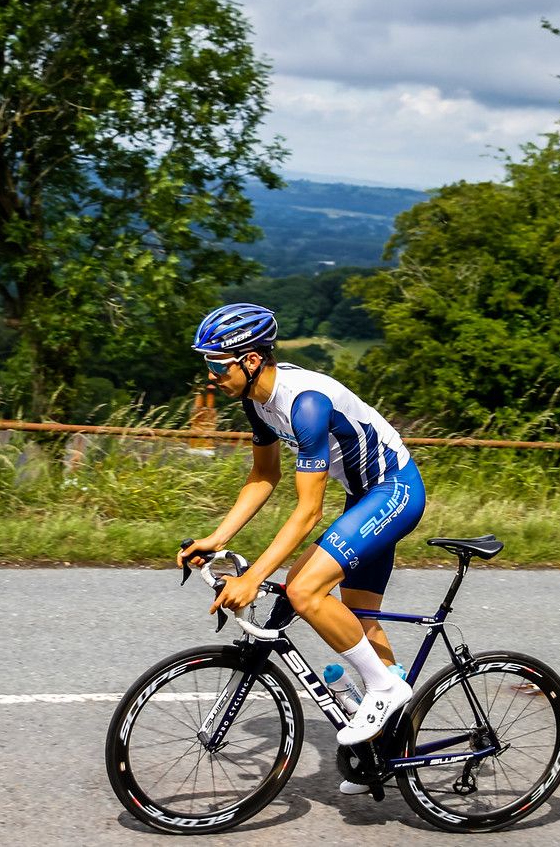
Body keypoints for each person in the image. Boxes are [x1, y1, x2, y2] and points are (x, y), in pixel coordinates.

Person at [177, 302, 427, 769]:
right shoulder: (257, 402)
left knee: (303, 587)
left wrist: (253, 579)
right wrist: (215, 538)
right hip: (364, 496)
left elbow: (308, 510)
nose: (210, 375)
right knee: (358, 615)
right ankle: (393, 754)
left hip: (395, 491)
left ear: (251, 360)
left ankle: (384, 688)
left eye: (217, 363)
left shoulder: (305, 404)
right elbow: (262, 477)